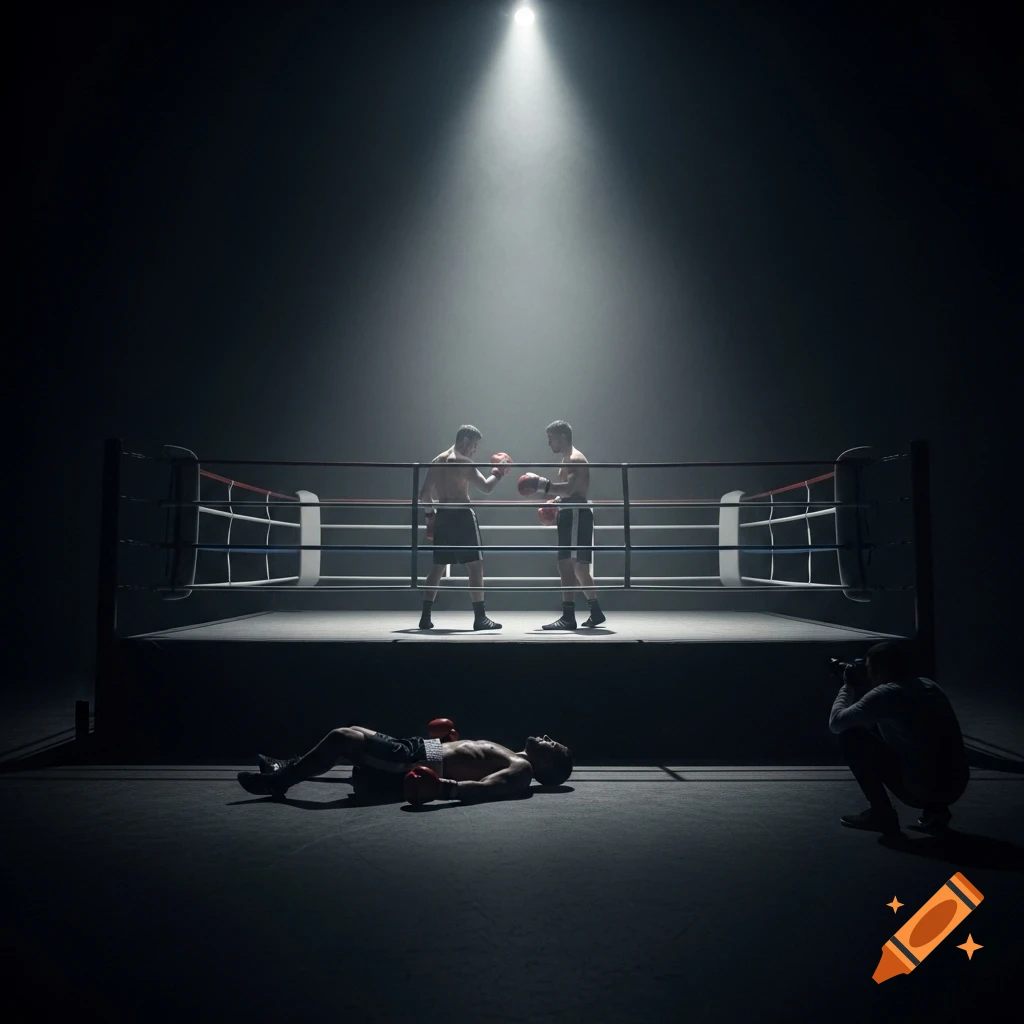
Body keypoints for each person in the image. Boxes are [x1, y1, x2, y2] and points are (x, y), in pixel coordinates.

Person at [829, 641, 970, 834]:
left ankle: (881, 814)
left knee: (850, 736)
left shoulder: (887, 694)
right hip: (955, 787)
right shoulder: (930, 685)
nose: (868, 676)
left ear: (878, 669)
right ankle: (936, 811)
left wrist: (847, 687)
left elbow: (836, 723)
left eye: (869, 669)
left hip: (920, 791)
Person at [236, 725, 573, 803]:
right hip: (421, 749)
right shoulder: (512, 752)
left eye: (551, 744)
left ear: (548, 765)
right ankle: (287, 767)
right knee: (352, 733)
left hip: (418, 760)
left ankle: (282, 779)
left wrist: (441, 788)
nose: (545, 737)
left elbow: (489, 788)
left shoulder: (523, 770)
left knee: (342, 738)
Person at [417, 424, 512, 631]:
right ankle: (480, 618)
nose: (474, 450)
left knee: (437, 568)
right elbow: (486, 487)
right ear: (466, 441)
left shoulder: (437, 461)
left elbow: (424, 494)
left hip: (442, 517)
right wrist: (499, 472)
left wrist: (430, 518)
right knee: (475, 566)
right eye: (474, 445)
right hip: (462, 518)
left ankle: (425, 617)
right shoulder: (463, 462)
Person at [517, 420, 605, 630]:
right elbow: (570, 493)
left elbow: (571, 489)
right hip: (572, 513)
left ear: (562, 437)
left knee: (566, 565)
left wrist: (541, 485)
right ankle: (596, 611)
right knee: (580, 568)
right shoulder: (567, 459)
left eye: (551, 439)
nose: (549, 444)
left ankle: (568, 617)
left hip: (575, 514)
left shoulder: (574, 458)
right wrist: (555, 502)